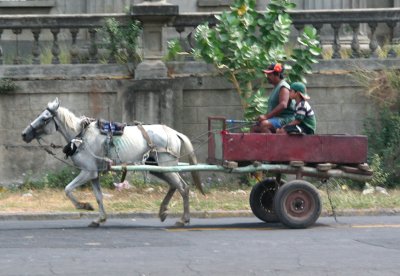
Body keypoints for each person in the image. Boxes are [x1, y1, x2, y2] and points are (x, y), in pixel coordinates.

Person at [253, 63, 295, 133]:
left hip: (285, 119)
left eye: (269, 74)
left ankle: (272, 143)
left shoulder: (283, 87)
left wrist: (266, 117)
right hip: (276, 118)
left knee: (264, 125)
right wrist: (262, 117)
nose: (267, 77)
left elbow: (283, 105)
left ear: (278, 75)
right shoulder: (276, 87)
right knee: (255, 127)